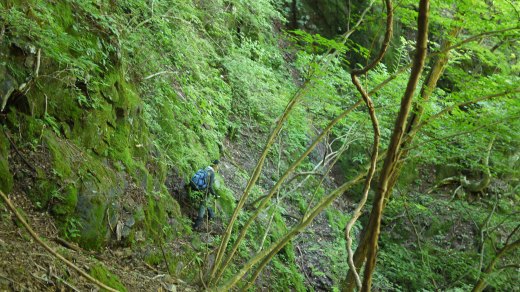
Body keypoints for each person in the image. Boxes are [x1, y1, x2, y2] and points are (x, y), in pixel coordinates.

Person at [192, 159, 220, 230]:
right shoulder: (212, 173)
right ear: (215, 165)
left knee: (205, 203)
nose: (218, 167)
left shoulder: (206, 168)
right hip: (205, 191)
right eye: (218, 166)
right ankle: (197, 225)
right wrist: (214, 194)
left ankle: (211, 214)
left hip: (199, 189)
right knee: (203, 206)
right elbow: (209, 186)